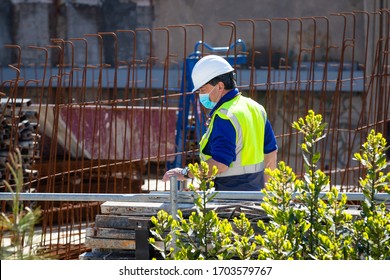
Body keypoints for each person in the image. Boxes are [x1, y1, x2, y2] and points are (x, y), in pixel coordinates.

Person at [162, 54, 278, 191]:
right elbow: (271, 153)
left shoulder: (225, 116)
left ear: (220, 86)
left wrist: (185, 173)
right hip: (255, 193)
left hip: (229, 196)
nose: (201, 95)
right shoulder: (256, 108)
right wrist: (268, 193)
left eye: (203, 90)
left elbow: (220, 164)